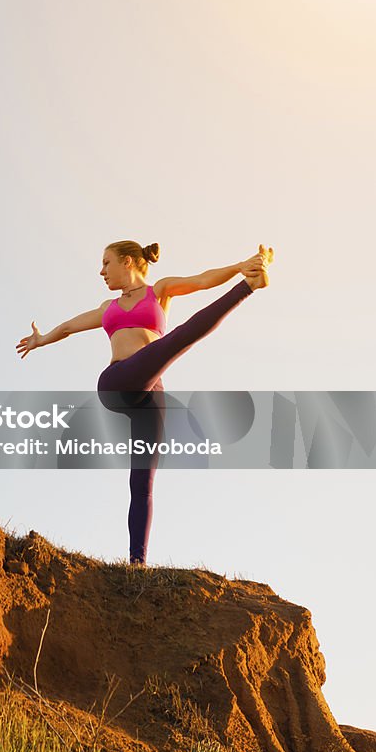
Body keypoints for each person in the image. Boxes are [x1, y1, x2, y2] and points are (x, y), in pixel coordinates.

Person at [16, 241, 274, 566]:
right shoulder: (107, 307)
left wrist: (239, 265)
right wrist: (42, 340)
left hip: (152, 397)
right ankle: (248, 288)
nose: (101, 271)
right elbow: (68, 327)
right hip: (116, 383)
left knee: (142, 482)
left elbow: (203, 280)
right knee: (176, 340)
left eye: (106, 263)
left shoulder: (160, 291)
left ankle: (137, 565)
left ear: (127, 262)